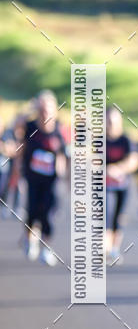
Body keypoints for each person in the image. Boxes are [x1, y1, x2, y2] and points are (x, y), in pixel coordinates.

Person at [21, 91, 66, 265]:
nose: (46, 113)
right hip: (32, 178)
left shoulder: (59, 129)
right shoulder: (30, 126)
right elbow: (21, 149)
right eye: (42, 109)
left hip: (51, 180)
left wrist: (65, 178)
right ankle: (29, 239)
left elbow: (63, 153)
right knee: (32, 211)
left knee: (47, 213)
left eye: (49, 109)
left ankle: (47, 249)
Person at [105, 107, 138, 263]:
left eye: (114, 121)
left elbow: (134, 160)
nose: (111, 124)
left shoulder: (126, 140)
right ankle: (103, 247)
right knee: (105, 214)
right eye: (108, 121)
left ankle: (114, 249)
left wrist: (119, 168)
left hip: (121, 186)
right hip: (103, 186)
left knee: (118, 218)